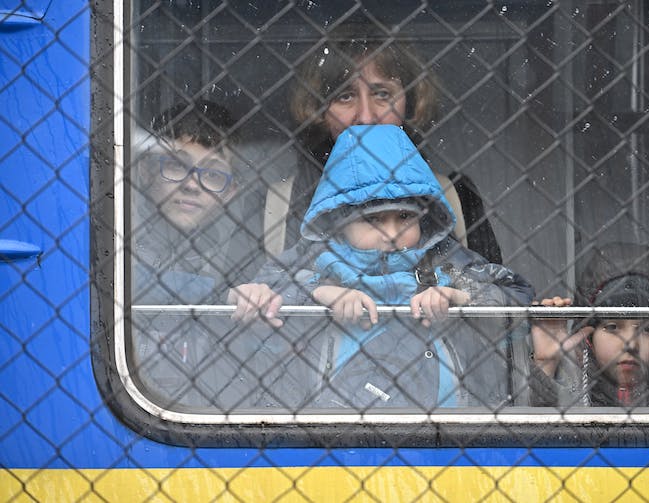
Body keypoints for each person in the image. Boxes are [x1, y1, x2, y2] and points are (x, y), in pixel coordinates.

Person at [231, 124, 533, 410]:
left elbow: (520, 299)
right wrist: (318, 294)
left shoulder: (445, 260)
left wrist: (459, 298)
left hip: (449, 434)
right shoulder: (314, 262)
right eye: (373, 219)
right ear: (339, 220)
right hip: (329, 434)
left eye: (405, 217)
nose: (392, 233)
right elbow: (257, 302)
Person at [279, 25, 503, 264]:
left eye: (382, 94)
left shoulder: (455, 196)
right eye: (345, 96)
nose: (366, 117)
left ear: (411, 102)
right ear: (319, 109)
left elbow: (495, 291)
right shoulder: (274, 204)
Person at [130, 99, 255, 410]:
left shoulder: (243, 259)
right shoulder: (121, 238)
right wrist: (219, 296)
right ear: (146, 171)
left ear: (231, 192)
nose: (192, 185)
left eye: (213, 175)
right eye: (176, 165)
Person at [529, 242, 649, 408]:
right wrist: (546, 365)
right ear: (589, 338)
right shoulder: (571, 406)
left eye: (648, 330)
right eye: (612, 327)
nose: (630, 344)